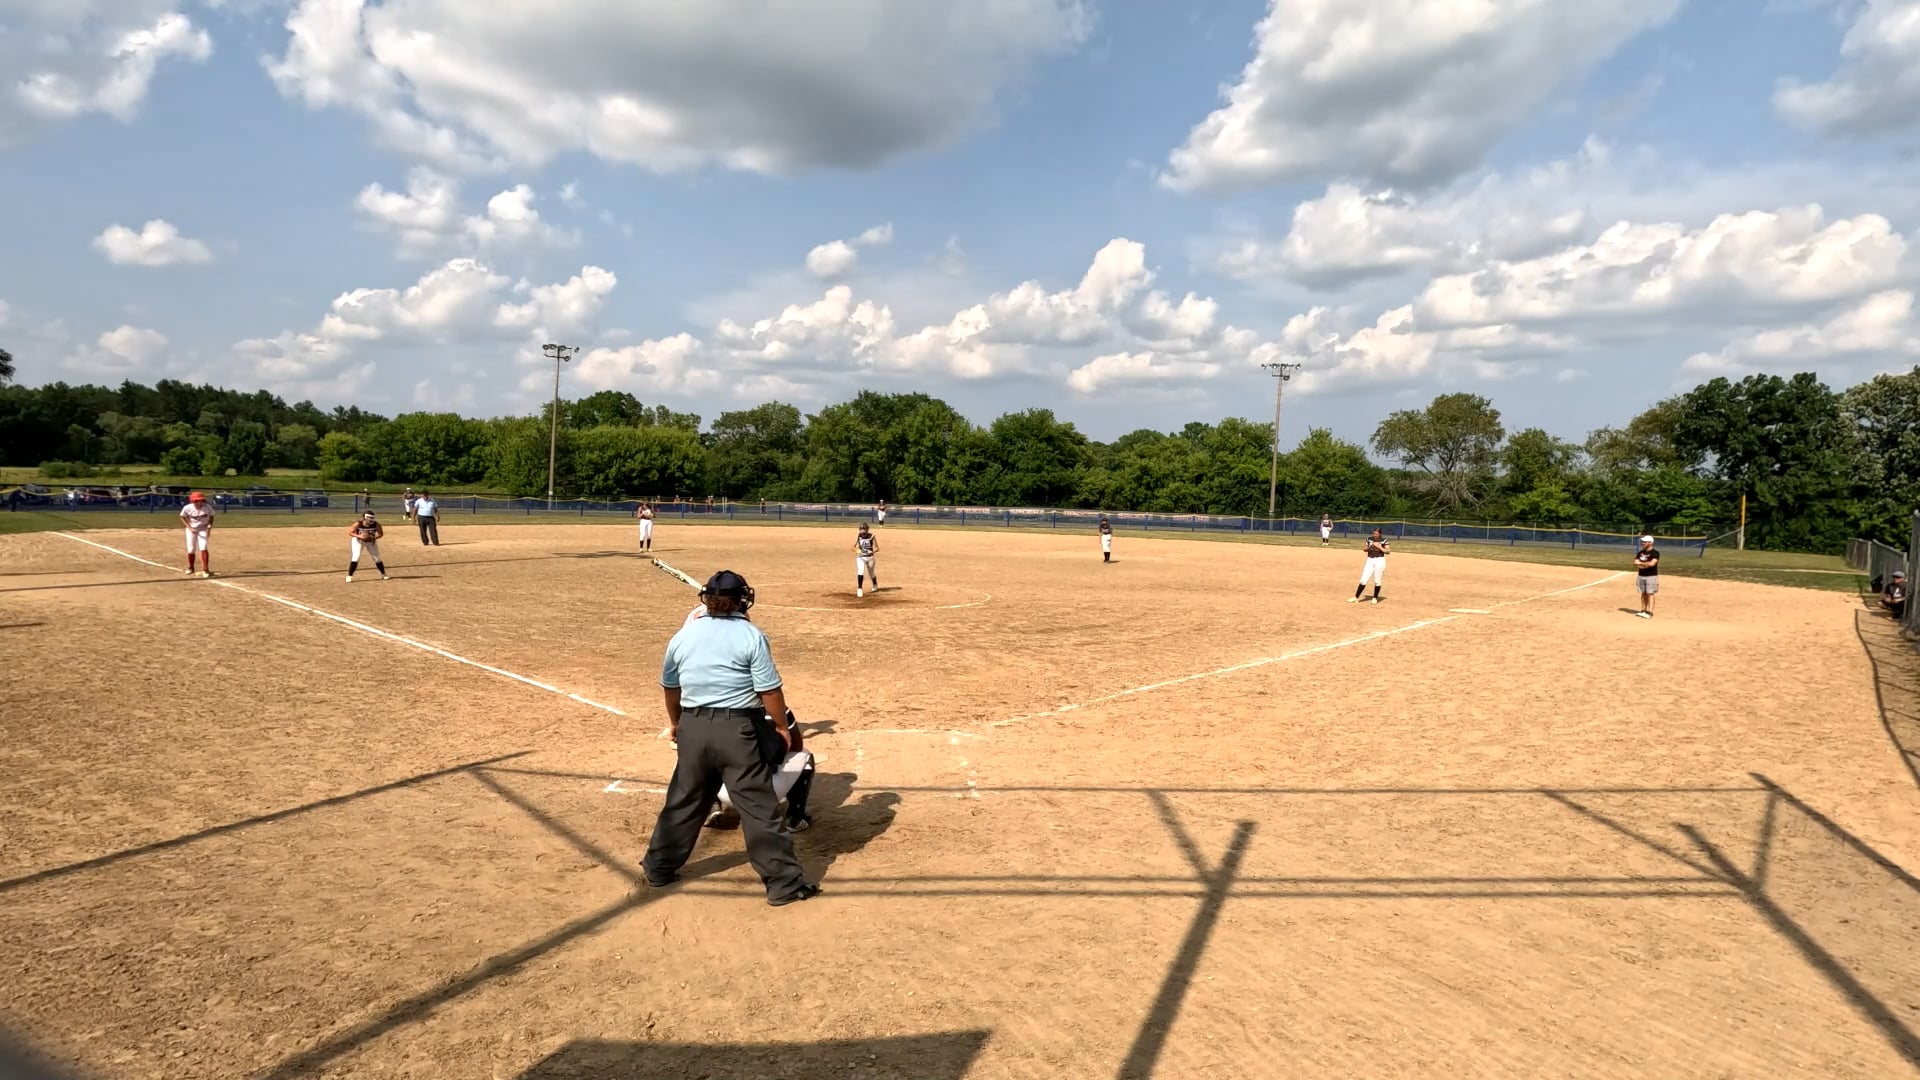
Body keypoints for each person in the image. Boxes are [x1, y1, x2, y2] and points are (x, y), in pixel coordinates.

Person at [643, 570, 820, 906]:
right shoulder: (751, 635)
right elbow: (769, 691)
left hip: (693, 726)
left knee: (683, 800)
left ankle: (658, 868)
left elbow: (670, 687)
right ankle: (783, 884)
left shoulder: (684, 635)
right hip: (737, 729)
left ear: (707, 600)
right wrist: (781, 727)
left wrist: (677, 723)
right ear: (742, 600)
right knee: (758, 808)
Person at [346, 511, 390, 582]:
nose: (371, 520)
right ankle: (349, 576)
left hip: (371, 541)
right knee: (356, 557)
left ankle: (383, 574)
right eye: (369, 518)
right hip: (358, 541)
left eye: (372, 518)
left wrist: (374, 537)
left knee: (377, 558)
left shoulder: (376, 524)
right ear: (365, 517)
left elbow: (380, 534)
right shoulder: (358, 524)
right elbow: (350, 532)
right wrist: (360, 536)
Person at [179, 491, 215, 577]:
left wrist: (209, 527)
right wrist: (189, 527)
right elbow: (182, 517)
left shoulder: (207, 507)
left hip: (203, 528)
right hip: (192, 530)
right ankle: (191, 567)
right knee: (191, 549)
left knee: (203, 547)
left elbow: (212, 516)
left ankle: (205, 569)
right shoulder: (187, 508)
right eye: (198, 500)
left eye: (201, 500)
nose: (200, 502)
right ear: (193, 501)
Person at [1350, 528, 1388, 604]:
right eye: (1374, 533)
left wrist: (1379, 547)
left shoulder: (1384, 540)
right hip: (1370, 560)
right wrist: (1369, 547)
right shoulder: (1369, 539)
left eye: (1377, 534)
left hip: (1379, 560)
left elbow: (1388, 551)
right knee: (1363, 579)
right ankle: (1356, 597)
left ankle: (1375, 598)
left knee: (1377, 580)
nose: (1375, 535)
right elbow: (1364, 549)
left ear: (1380, 534)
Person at [1632, 535, 1660, 619]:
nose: (1642, 543)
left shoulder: (1655, 553)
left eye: (1644, 542)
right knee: (1643, 593)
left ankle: (1650, 612)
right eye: (1642, 542)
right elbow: (1635, 562)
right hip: (1641, 575)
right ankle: (1643, 610)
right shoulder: (1640, 553)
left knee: (1650, 593)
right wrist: (1645, 564)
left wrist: (1641, 563)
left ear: (1650, 543)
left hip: (1651, 576)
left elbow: (1652, 564)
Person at [854, 522, 878, 597]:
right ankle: (859, 589)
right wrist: (857, 551)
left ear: (867, 530)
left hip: (870, 557)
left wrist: (872, 552)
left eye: (864, 529)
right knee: (860, 571)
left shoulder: (872, 536)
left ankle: (874, 583)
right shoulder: (858, 536)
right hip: (861, 557)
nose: (863, 531)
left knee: (871, 573)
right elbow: (853, 547)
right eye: (861, 529)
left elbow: (877, 548)